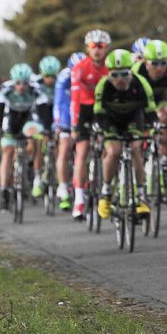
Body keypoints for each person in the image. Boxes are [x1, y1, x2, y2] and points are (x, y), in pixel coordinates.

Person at [95, 49, 157, 219]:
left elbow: (150, 109)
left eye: (124, 74)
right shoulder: (103, 85)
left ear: (131, 72)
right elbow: (98, 112)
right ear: (109, 74)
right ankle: (106, 192)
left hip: (133, 118)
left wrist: (153, 126)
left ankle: (142, 196)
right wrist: (101, 129)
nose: (120, 79)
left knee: (136, 148)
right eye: (114, 75)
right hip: (111, 120)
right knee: (114, 151)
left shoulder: (140, 82)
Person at [0, 64, 50, 211]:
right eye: (18, 83)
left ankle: (29, 166)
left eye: (24, 83)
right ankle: (4, 190)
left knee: (36, 139)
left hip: (27, 119)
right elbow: (0, 112)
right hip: (11, 119)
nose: (21, 86)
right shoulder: (6, 89)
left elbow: (43, 111)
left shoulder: (36, 90)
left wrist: (45, 129)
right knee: (7, 152)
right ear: (13, 81)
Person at [71, 29, 111, 220]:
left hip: (104, 110)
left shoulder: (110, 67)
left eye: (101, 46)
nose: (97, 50)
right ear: (87, 48)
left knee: (109, 149)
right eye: (93, 46)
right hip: (85, 111)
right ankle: (79, 199)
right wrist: (74, 125)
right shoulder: (80, 67)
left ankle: (105, 188)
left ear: (107, 48)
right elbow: (74, 98)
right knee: (82, 151)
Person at [131, 40, 167, 172]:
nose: (160, 68)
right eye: (155, 63)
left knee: (166, 118)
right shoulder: (136, 71)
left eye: (164, 63)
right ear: (146, 61)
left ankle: (165, 157)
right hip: (141, 103)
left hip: (162, 101)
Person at [52, 52, 85, 210]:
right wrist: (59, 123)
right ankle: (63, 187)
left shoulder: (88, 73)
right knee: (64, 148)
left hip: (82, 113)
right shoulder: (64, 77)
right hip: (66, 114)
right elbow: (58, 103)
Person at [30, 55, 60, 198]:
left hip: (54, 114)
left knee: (60, 144)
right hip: (38, 114)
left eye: (53, 76)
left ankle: (60, 176)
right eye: (47, 76)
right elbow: (33, 108)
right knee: (39, 146)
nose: (50, 80)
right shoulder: (35, 83)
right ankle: (37, 179)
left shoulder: (60, 82)